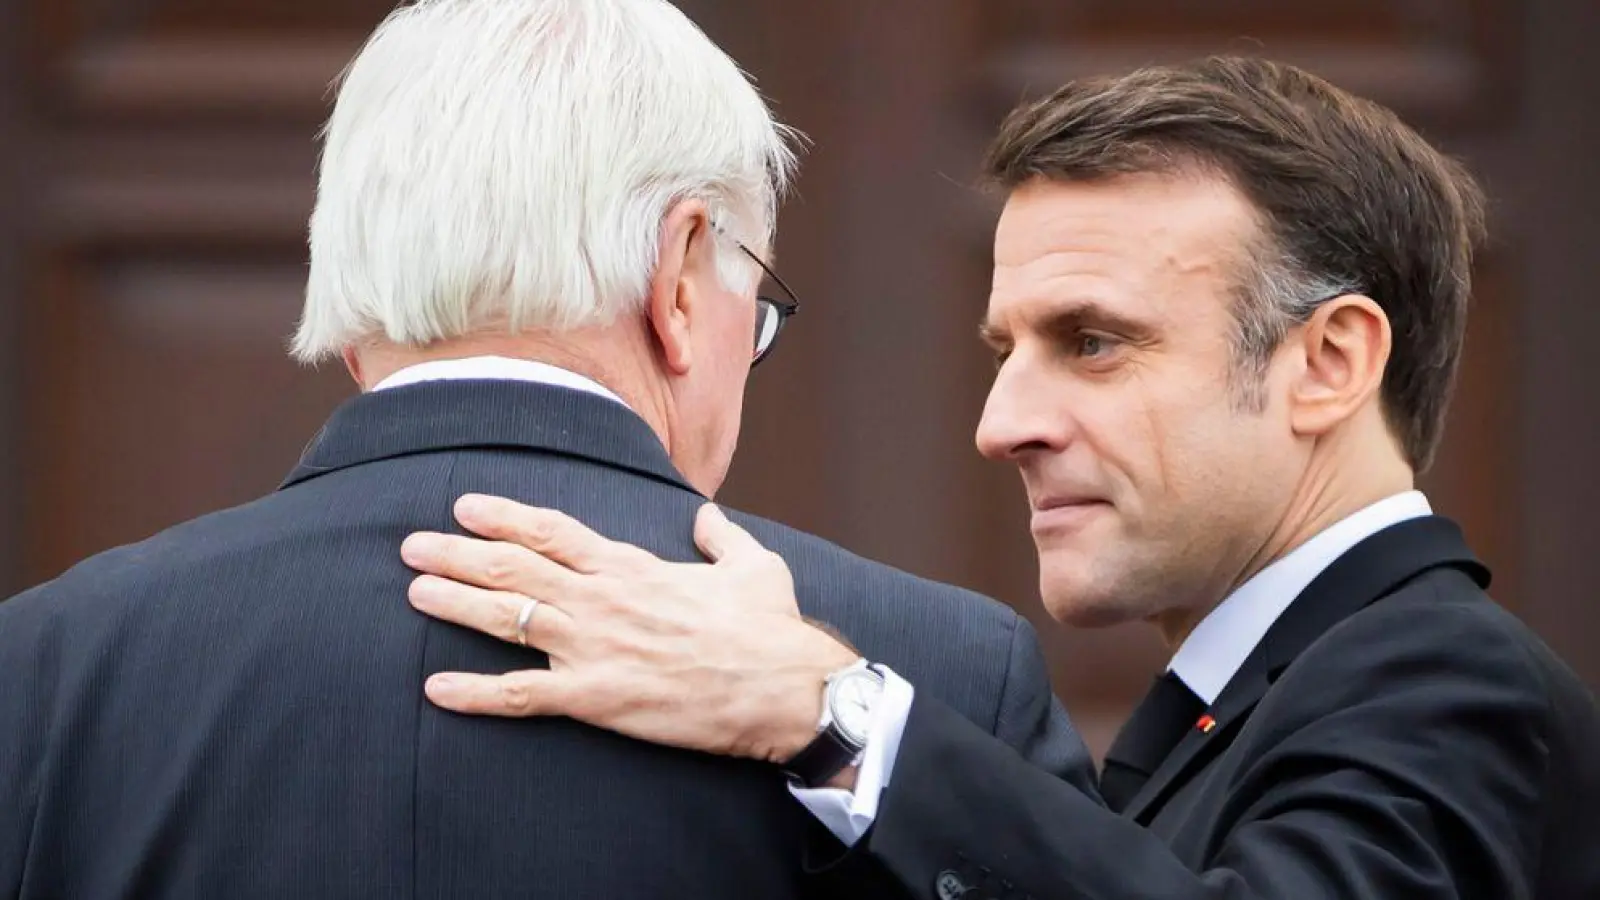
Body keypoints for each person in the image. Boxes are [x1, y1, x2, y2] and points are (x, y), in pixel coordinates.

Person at [399, 57, 1600, 899]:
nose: (1001, 423)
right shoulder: (1271, 690)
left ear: (1329, 362)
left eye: (1091, 340)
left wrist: (826, 710)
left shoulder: (1443, 679)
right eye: (1005, 350)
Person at [0, 1, 1093, 897]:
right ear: (678, 280)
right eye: (750, 307)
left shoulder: (45, 672)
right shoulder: (932, 674)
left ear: (349, 312)